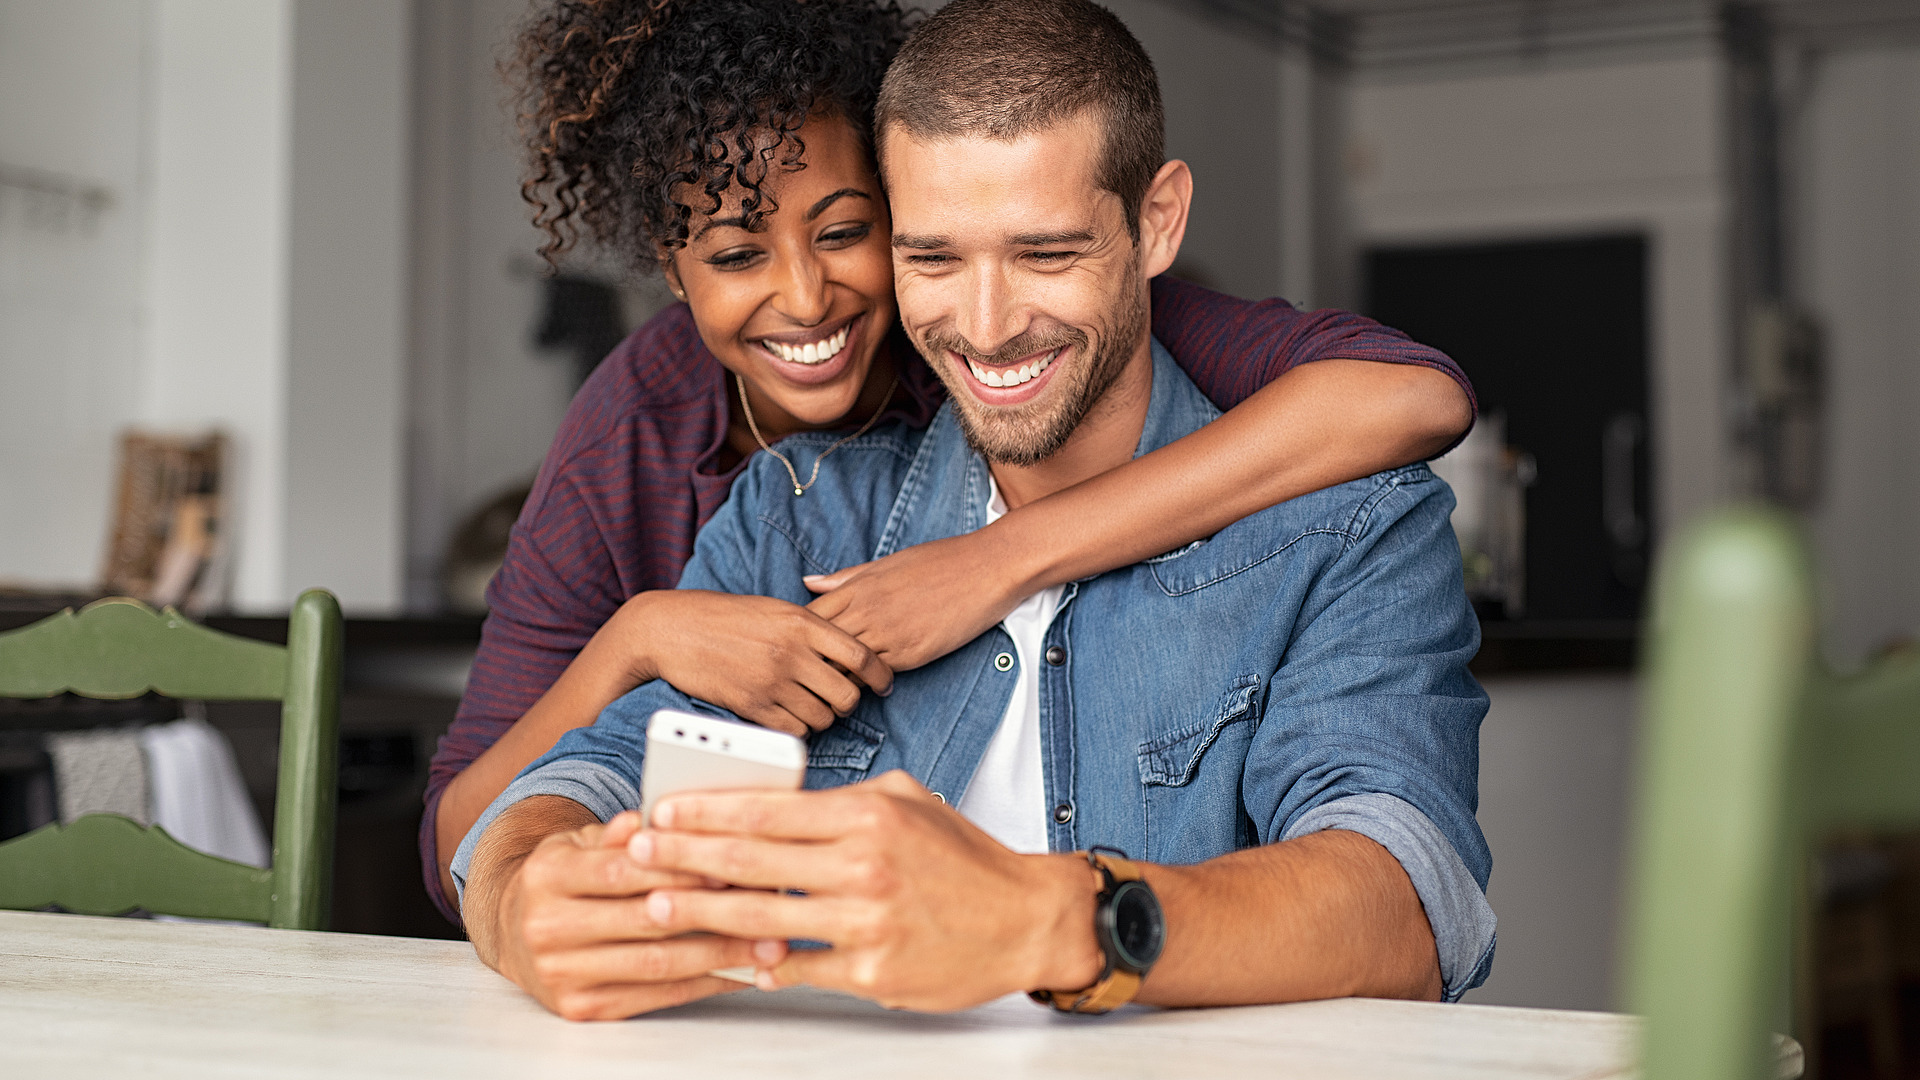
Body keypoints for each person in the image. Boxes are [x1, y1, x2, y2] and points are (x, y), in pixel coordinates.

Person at [453, 0, 1494, 1023]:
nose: (988, 329)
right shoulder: (795, 515)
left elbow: (1404, 905)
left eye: (1046, 254)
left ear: (1156, 223)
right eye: (934, 258)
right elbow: (566, 786)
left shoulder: (1352, 529)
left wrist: (1047, 918)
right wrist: (522, 900)